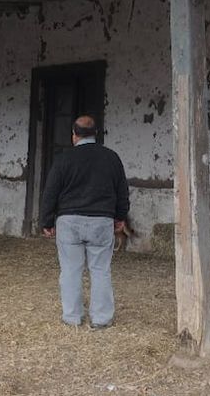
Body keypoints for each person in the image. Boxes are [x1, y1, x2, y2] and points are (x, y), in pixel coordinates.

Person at [41, 115, 129, 329]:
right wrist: (119, 217)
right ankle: (101, 318)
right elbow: (122, 191)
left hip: (69, 221)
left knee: (70, 269)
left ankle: (72, 317)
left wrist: (47, 220)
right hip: (101, 220)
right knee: (100, 270)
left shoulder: (64, 159)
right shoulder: (111, 158)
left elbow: (50, 191)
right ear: (96, 134)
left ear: (74, 135)